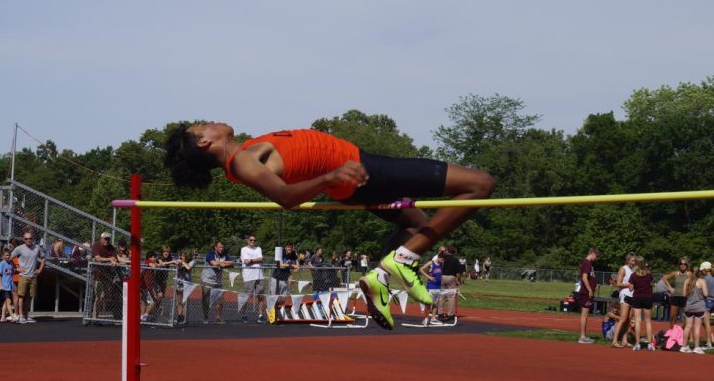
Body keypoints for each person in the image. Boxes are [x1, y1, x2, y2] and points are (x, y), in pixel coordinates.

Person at [164, 123, 494, 329]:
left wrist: (331, 177)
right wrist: (330, 176)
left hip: (354, 175)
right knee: (479, 184)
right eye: (202, 126)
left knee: (419, 224)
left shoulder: (247, 152)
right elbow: (285, 197)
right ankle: (398, 264)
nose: (210, 122)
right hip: (361, 170)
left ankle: (380, 280)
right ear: (204, 142)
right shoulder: (241, 161)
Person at [11, 231, 45, 324]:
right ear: (23, 239)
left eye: (30, 238)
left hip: (33, 276)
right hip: (23, 276)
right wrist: (16, 268)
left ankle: (26, 315)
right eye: (26, 239)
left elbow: (43, 258)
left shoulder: (37, 248)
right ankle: (21, 315)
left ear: (32, 239)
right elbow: (9, 258)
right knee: (21, 296)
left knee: (30, 297)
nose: (28, 240)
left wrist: (40, 269)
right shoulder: (19, 248)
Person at [625, 255, 654, 350]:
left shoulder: (633, 275)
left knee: (637, 320)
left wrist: (630, 286)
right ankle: (650, 344)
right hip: (648, 297)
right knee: (648, 321)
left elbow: (631, 288)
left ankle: (637, 344)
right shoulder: (649, 274)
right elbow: (650, 283)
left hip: (637, 297)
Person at [201, 240, 234, 323]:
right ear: (215, 247)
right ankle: (205, 317)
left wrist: (223, 263)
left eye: (223, 247)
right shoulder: (210, 254)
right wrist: (222, 263)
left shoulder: (225, 255)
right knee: (206, 300)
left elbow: (232, 263)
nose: (222, 249)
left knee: (220, 301)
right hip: (207, 280)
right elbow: (214, 263)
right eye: (220, 247)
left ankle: (218, 318)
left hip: (218, 282)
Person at [91, 232, 119, 319]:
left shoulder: (111, 248)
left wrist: (114, 261)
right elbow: (98, 258)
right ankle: (94, 316)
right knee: (98, 296)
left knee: (103, 296)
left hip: (108, 275)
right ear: (101, 238)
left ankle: (96, 316)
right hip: (98, 274)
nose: (107, 240)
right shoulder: (96, 245)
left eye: (108, 239)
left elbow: (115, 258)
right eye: (105, 239)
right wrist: (109, 259)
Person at [611, 253, 636, 348]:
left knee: (628, 320)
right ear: (628, 260)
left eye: (635, 261)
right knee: (623, 318)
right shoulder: (623, 269)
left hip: (631, 295)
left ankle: (624, 341)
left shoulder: (632, 270)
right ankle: (614, 340)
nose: (634, 263)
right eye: (632, 260)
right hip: (625, 295)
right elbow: (618, 283)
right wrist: (628, 285)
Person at [681, 267, 709, 354]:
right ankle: (696, 347)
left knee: (688, 327)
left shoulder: (687, 281)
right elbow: (706, 294)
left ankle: (684, 346)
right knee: (697, 327)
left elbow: (684, 294)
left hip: (689, 306)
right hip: (699, 306)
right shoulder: (701, 281)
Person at [575, 248, 599, 344]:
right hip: (586, 293)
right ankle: (582, 336)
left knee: (586, 314)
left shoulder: (589, 263)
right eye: (596, 256)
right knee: (584, 315)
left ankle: (584, 335)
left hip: (588, 292)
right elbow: (584, 278)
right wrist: (589, 290)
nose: (596, 258)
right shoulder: (587, 263)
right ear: (592, 254)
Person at [240, 235, 266, 322]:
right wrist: (256, 260)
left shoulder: (258, 248)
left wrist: (252, 260)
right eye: (251, 240)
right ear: (247, 241)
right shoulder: (244, 249)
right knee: (246, 296)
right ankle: (244, 314)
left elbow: (261, 259)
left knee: (261, 296)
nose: (253, 241)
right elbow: (246, 261)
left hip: (259, 275)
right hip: (248, 276)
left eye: (254, 240)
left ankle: (260, 315)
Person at [663, 258, 691, 323]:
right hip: (676, 296)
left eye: (685, 264)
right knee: (673, 317)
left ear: (687, 265)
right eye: (681, 264)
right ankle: (673, 332)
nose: (683, 265)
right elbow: (664, 278)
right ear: (679, 265)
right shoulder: (676, 273)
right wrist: (670, 288)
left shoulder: (689, 274)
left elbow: (695, 282)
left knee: (687, 317)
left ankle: (685, 332)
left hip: (685, 297)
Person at [419, 252, 444, 324]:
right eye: (442, 259)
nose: (443, 261)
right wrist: (429, 277)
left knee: (436, 303)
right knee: (429, 303)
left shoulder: (440, 264)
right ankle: (425, 319)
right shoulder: (431, 263)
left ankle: (433, 318)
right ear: (439, 258)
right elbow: (421, 269)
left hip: (438, 286)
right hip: (431, 286)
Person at [699, 261, 714, 347]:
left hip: (707, 300)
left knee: (706, 322)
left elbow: (703, 291)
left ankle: (709, 342)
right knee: (704, 322)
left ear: (704, 270)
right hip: (713, 301)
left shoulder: (705, 279)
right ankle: (712, 337)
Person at [174, 249, 196, 324]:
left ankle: (184, 317)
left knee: (184, 302)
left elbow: (188, 267)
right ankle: (179, 316)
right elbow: (175, 263)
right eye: (181, 256)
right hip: (178, 283)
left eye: (183, 256)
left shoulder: (191, 262)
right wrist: (178, 261)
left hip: (187, 284)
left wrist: (182, 262)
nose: (181, 257)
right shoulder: (179, 261)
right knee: (179, 301)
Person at [0, 248, 15, 322]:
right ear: (3, 256)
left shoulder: (11, 263)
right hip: (4, 286)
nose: (8, 256)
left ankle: (3, 317)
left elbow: (12, 271)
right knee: (9, 301)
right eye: (6, 255)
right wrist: (1, 285)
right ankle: (13, 317)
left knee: (5, 302)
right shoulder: (2, 263)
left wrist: (11, 271)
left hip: (9, 285)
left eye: (9, 255)